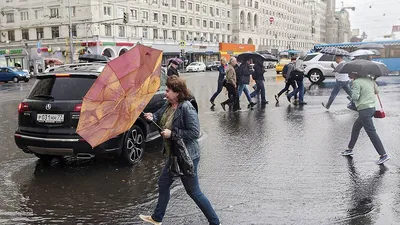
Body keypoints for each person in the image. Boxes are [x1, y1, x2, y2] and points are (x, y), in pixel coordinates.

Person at [140, 76, 221, 225]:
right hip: (174, 155)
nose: (165, 93)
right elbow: (159, 116)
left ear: (177, 93)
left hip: (187, 156)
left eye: (168, 90)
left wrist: (173, 134)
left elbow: (194, 133)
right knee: (163, 183)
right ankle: (157, 218)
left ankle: (215, 222)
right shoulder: (168, 104)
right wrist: (151, 116)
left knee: (193, 191)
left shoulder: (186, 107)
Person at [341, 73, 390, 165]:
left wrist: (352, 96)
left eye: (349, 73)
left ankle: (383, 155)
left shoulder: (356, 82)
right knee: (356, 127)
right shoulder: (370, 79)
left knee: (371, 132)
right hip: (371, 108)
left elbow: (355, 97)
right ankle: (349, 149)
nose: (347, 74)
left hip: (364, 110)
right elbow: (377, 91)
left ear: (354, 73)